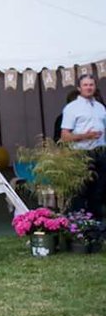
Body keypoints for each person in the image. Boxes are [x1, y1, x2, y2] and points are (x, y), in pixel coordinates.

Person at [59, 73, 106, 218]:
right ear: (79, 88)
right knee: (80, 192)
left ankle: (97, 227)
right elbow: (64, 136)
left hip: (101, 152)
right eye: (85, 85)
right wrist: (86, 136)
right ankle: (79, 227)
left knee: (99, 191)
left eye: (91, 84)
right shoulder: (71, 108)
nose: (89, 87)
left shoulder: (100, 107)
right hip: (81, 154)